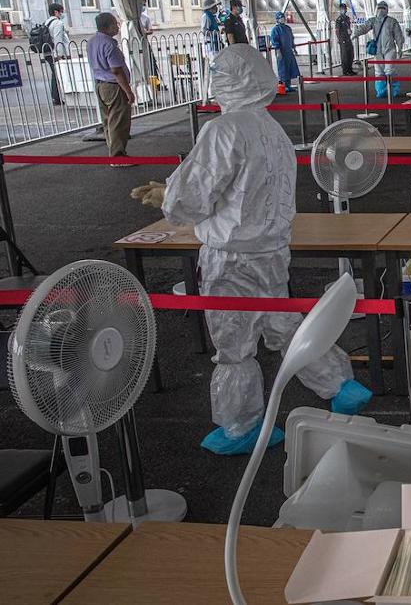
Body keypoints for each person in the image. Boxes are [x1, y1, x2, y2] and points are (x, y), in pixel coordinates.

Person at [129, 45, 371, 455]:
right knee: (281, 324)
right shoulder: (271, 130)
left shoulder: (223, 130)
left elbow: (195, 195)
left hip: (231, 257)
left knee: (234, 343)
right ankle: (340, 384)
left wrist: (167, 197)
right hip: (272, 250)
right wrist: (171, 190)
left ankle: (242, 426)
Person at [86, 12, 135, 160]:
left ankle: (112, 149)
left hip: (100, 84)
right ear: (108, 26)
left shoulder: (92, 41)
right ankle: (118, 155)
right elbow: (116, 70)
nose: (118, 26)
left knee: (108, 120)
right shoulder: (109, 44)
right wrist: (128, 91)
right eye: (115, 23)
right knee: (119, 121)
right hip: (113, 86)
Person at [353, 0, 404, 99]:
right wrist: (355, 33)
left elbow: (398, 35)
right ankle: (384, 91)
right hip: (381, 50)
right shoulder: (374, 21)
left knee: (389, 70)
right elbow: (364, 28)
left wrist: (400, 47)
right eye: (380, 8)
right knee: (380, 71)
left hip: (389, 49)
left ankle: (390, 90)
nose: (381, 10)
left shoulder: (390, 21)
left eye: (382, 8)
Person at [35, 4, 69, 105]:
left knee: (55, 74)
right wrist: (60, 54)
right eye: (61, 12)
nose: (62, 14)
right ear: (56, 12)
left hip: (47, 52)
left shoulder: (47, 22)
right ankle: (56, 97)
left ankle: (56, 97)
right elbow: (58, 39)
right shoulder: (57, 23)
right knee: (57, 74)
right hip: (55, 53)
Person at [268, 12, 299, 94]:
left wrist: (294, 48)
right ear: (277, 19)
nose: (283, 19)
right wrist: (278, 51)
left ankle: (288, 85)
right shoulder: (276, 29)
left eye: (283, 17)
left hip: (289, 51)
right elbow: (274, 40)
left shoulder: (287, 28)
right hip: (281, 51)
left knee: (289, 67)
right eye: (280, 18)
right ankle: (283, 86)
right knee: (282, 68)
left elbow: (291, 38)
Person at [335, 3, 355, 75]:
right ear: (340, 10)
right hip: (342, 39)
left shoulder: (347, 18)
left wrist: (350, 31)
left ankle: (350, 69)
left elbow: (349, 27)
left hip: (348, 38)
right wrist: (339, 38)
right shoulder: (339, 19)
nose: (344, 10)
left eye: (345, 8)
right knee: (345, 55)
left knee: (351, 54)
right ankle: (345, 70)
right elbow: (337, 30)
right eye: (342, 8)